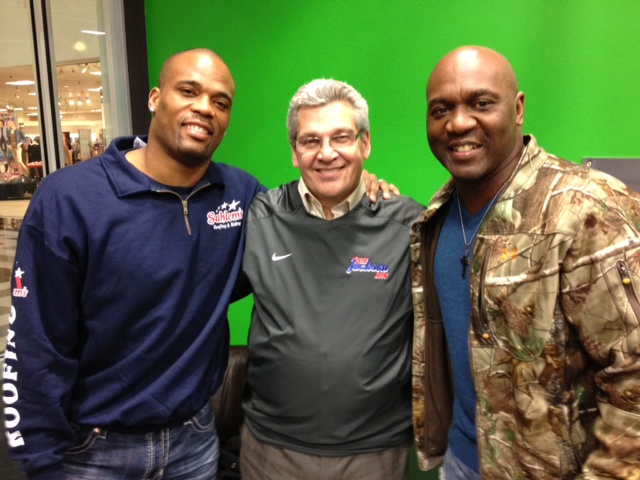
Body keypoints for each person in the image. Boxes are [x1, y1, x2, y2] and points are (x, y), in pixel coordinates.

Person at [3, 49, 390, 480]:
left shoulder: (241, 195)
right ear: (155, 98)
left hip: (194, 442)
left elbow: (312, 216)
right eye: (189, 91)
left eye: (220, 101)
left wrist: (358, 185)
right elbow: (35, 341)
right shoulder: (69, 198)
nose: (205, 107)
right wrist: (40, 458)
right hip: (94, 449)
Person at [410, 45, 640, 479]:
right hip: (460, 462)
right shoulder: (435, 218)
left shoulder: (585, 211)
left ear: (517, 109)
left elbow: (633, 374)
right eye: (441, 109)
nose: (458, 123)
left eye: (481, 103)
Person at [240, 79, 423, 480]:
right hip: (272, 450)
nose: (326, 153)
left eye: (341, 137)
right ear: (294, 152)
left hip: (374, 452)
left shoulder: (410, 225)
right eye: (311, 141)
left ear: (364, 144)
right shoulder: (260, 218)